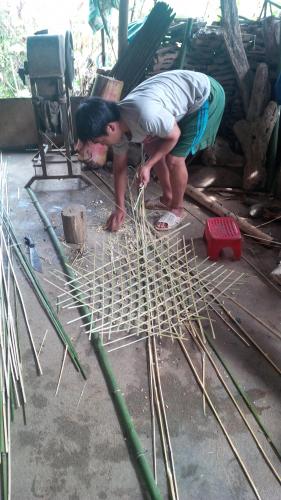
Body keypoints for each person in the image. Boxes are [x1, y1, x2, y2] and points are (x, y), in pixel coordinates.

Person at [75, 70, 225, 232]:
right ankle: (167, 197)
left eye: (101, 141)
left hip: (204, 96)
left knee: (174, 159)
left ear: (110, 128)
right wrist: (119, 207)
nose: (103, 146)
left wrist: (148, 165)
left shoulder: (145, 115)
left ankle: (177, 209)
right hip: (181, 94)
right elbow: (119, 169)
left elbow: (174, 135)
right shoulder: (118, 125)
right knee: (151, 146)